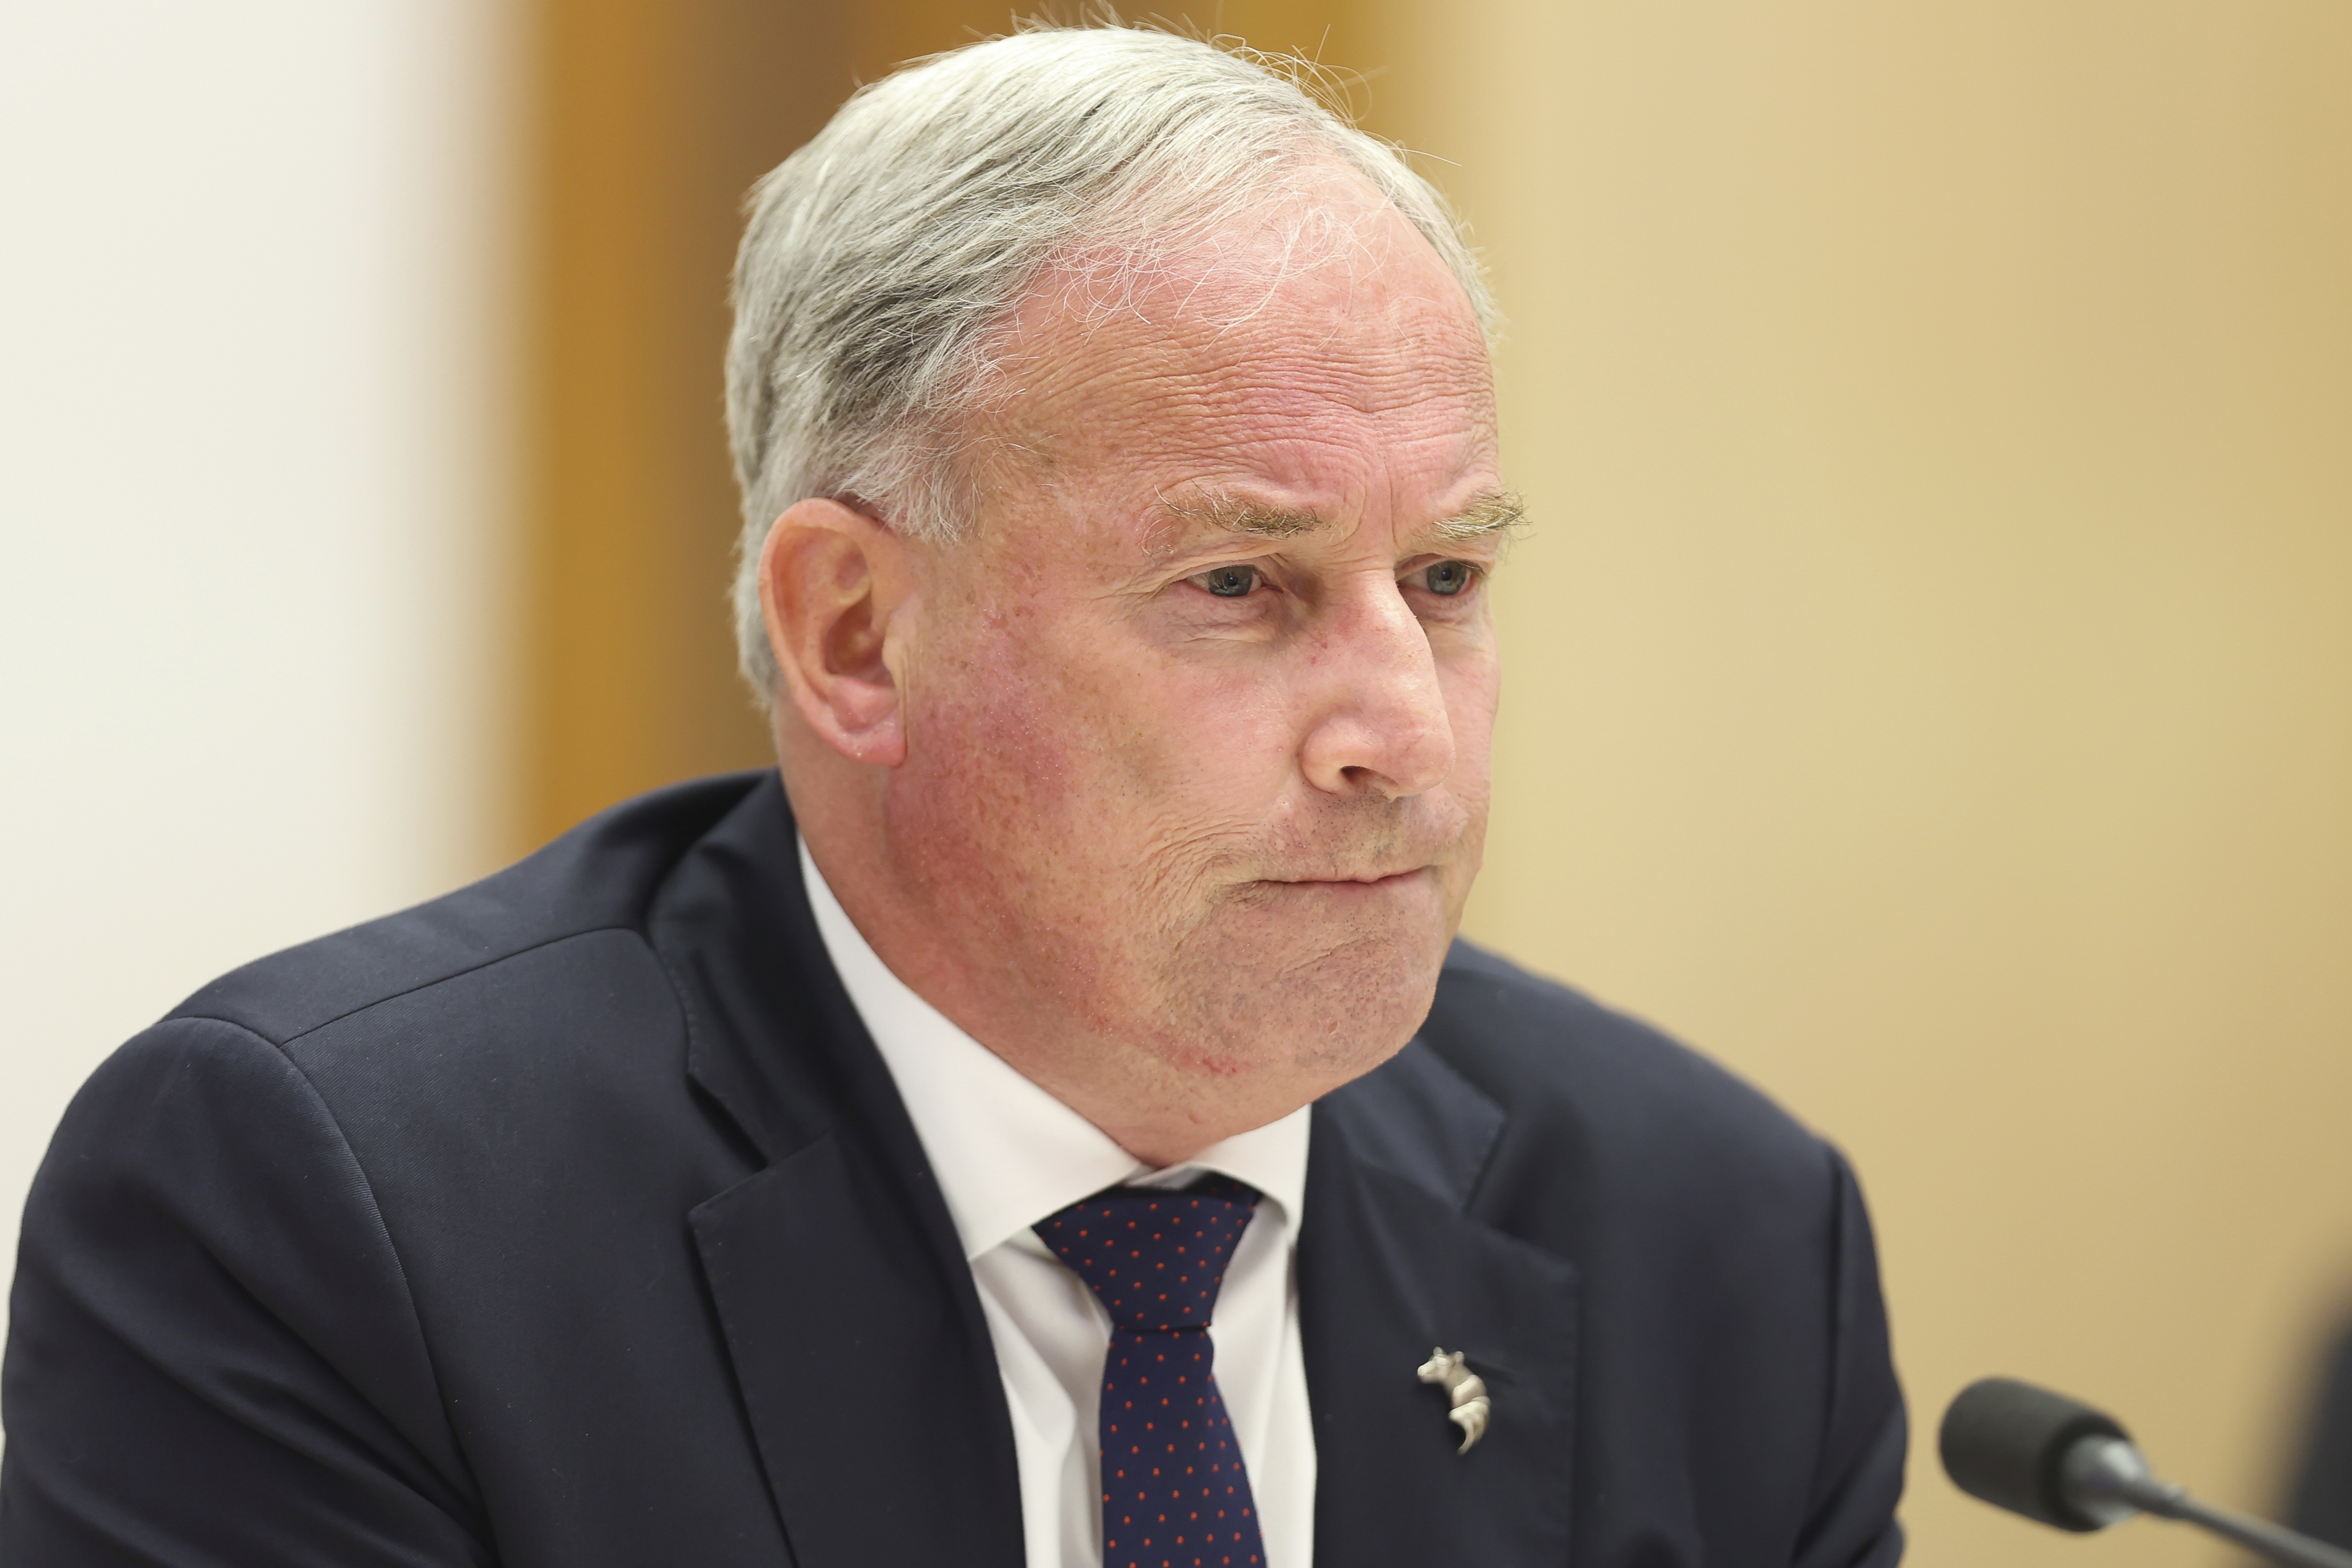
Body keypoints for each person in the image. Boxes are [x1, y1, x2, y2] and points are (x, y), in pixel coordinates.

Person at [0, 26, 1905, 1568]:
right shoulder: (337, 1209)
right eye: (1237, 585)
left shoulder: (1711, 1240)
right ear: (854, 632)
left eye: (1447, 578)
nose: (1401, 734)